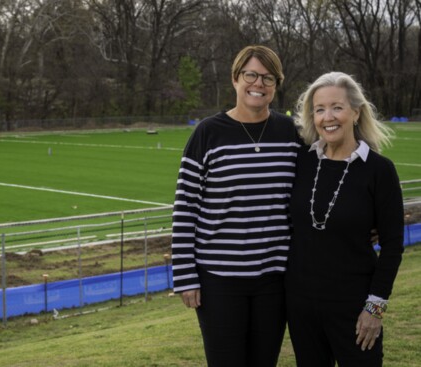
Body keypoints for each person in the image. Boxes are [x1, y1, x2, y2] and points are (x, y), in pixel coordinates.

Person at [171, 45, 301, 366]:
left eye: (268, 78)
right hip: (219, 280)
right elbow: (186, 207)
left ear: (276, 85)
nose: (258, 84)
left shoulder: (291, 133)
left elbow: (319, 186)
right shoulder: (208, 133)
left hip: (274, 277)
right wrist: (186, 276)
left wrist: (363, 222)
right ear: (235, 78)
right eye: (251, 75)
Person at [286, 71, 404, 367]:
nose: (328, 117)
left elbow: (392, 246)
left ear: (356, 111)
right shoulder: (301, 162)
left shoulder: (379, 170)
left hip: (355, 308)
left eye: (337, 107)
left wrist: (374, 309)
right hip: (301, 308)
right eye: (319, 109)